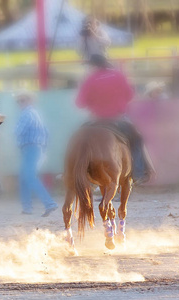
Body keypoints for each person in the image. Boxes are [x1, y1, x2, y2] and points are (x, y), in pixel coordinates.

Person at [76, 54, 155, 184]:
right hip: (118, 118)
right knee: (136, 140)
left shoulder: (89, 79)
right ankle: (139, 172)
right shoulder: (118, 75)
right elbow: (129, 95)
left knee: (78, 142)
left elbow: (80, 103)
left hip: (97, 120)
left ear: (94, 66)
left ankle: (78, 173)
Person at [15, 91, 58, 216]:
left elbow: (18, 131)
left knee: (28, 176)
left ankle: (49, 203)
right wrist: (43, 150)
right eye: (19, 101)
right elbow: (46, 133)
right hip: (35, 148)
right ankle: (27, 207)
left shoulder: (27, 114)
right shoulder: (35, 114)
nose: (20, 103)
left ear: (29, 101)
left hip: (30, 148)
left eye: (22, 100)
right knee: (24, 177)